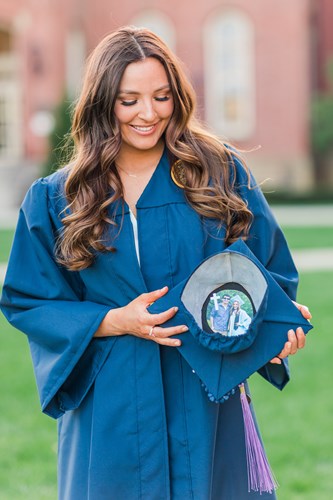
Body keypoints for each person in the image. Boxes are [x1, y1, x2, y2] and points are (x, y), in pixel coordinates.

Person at [0, 26, 312, 499]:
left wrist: (272, 332)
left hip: (207, 397)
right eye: (129, 101)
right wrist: (114, 320)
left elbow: (269, 274)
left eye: (162, 96)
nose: (149, 114)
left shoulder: (218, 174)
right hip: (112, 405)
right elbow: (29, 298)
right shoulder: (57, 198)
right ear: (103, 103)